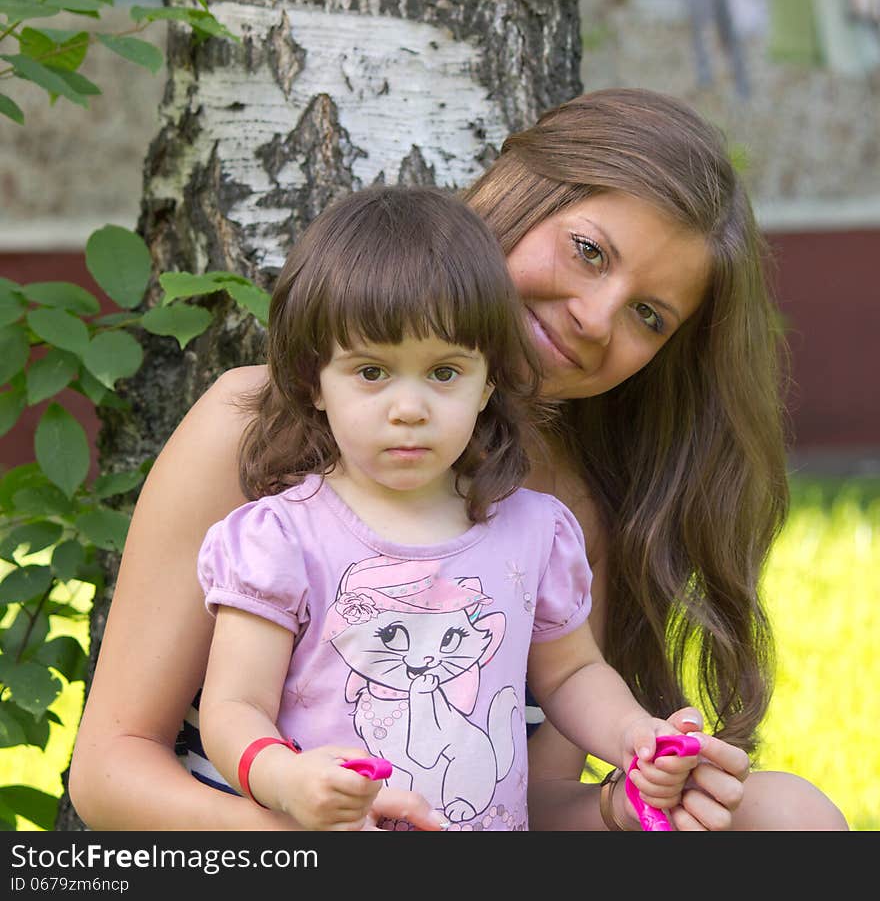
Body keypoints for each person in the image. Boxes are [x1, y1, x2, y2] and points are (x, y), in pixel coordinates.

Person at [69, 87, 848, 831]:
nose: (596, 317)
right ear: (519, 190)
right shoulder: (254, 432)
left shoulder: (557, 519)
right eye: (588, 251)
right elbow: (109, 771)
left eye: (648, 315)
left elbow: (524, 806)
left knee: (786, 818)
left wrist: (624, 804)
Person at [193, 185, 700, 831]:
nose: (409, 408)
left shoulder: (534, 532)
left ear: (489, 379)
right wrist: (287, 779)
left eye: (444, 373)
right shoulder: (283, 538)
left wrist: (636, 737)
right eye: (372, 372)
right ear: (313, 381)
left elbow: (573, 673)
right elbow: (233, 706)